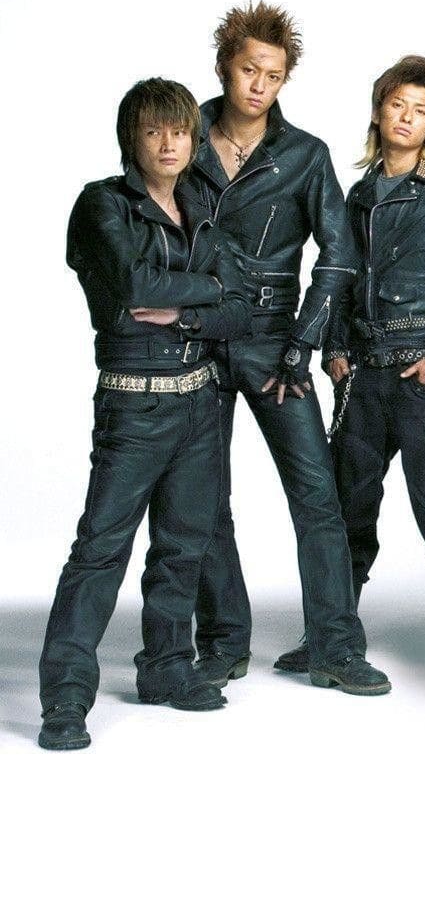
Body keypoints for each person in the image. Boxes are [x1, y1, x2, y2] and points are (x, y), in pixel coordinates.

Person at [39, 79, 253, 750]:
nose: (168, 144)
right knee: (101, 550)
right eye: (154, 130)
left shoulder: (201, 208)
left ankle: (166, 668)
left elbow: (243, 306)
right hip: (135, 401)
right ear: (132, 137)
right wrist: (211, 288)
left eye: (180, 131)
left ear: (193, 140)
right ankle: (65, 699)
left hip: (199, 401)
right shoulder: (103, 204)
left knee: (183, 545)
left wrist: (189, 308)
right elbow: (133, 285)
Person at [187, 2, 389, 697]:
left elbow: (340, 253)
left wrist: (304, 340)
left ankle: (335, 646)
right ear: (226, 65)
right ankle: (222, 642)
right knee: (203, 495)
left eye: (273, 75)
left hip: (277, 341)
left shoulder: (304, 155)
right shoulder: (182, 136)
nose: (259, 86)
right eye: (249, 70)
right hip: (196, 339)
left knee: (316, 493)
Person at [281, 56, 425, 685]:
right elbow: (341, 274)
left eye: (420, 111)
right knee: (345, 506)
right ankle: (333, 631)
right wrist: (335, 348)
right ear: (379, 112)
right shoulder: (359, 193)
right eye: (398, 104)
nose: (407, 117)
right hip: (364, 378)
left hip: (422, 376)